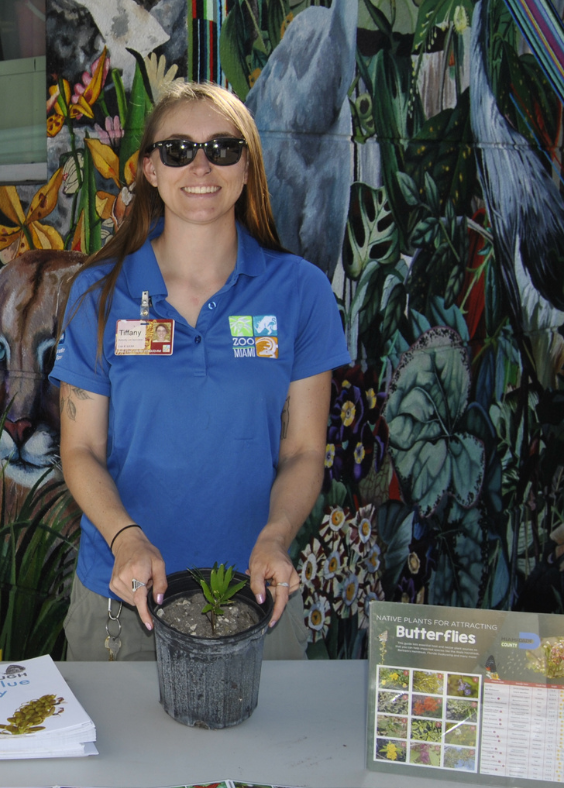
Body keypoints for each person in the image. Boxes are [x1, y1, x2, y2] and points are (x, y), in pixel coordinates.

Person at [50, 81, 350, 661]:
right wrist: (126, 537)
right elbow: (80, 449)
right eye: (179, 150)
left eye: (223, 148)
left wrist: (275, 537)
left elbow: (305, 452)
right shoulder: (100, 292)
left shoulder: (300, 292)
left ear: (246, 167)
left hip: (257, 598)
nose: (201, 165)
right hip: (125, 596)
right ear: (150, 171)